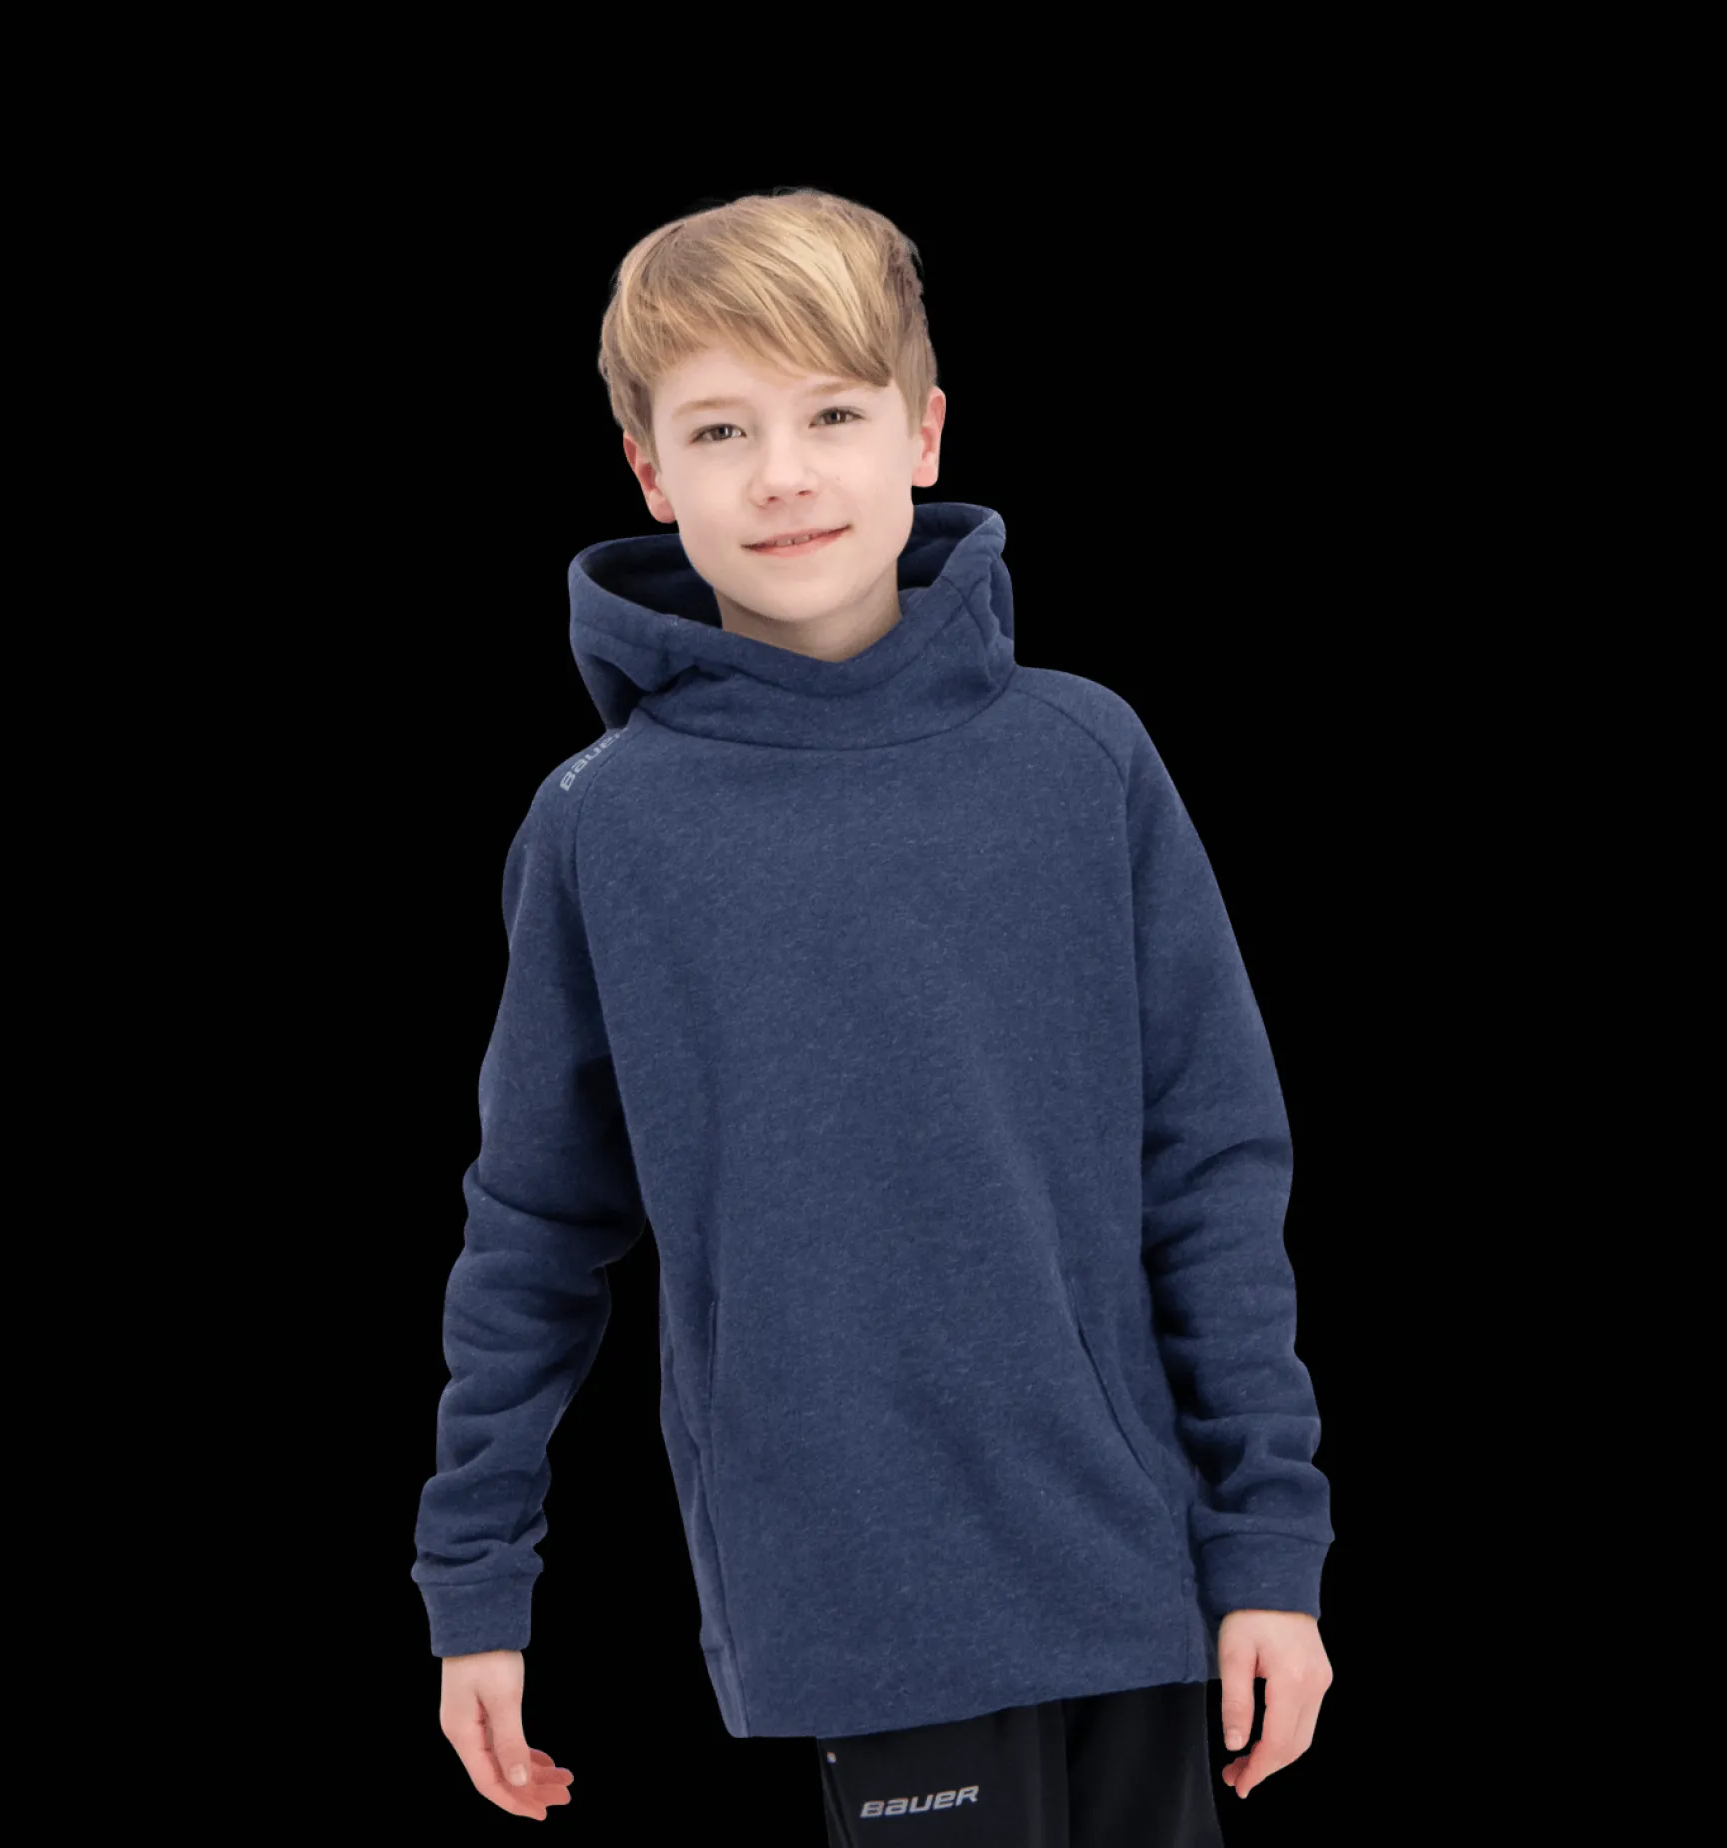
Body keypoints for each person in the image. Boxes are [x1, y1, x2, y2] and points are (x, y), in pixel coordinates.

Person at [412, 185, 1335, 1838]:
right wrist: (475, 1583)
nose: (782, 474)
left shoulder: (1087, 761)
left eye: (832, 413)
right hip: (858, 1599)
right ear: (650, 472)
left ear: (922, 433)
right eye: (721, 429)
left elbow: (1210, 1172)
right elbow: (535, 1225)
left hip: (1138, 1574)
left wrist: (1270, 1549)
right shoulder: (603, 829)